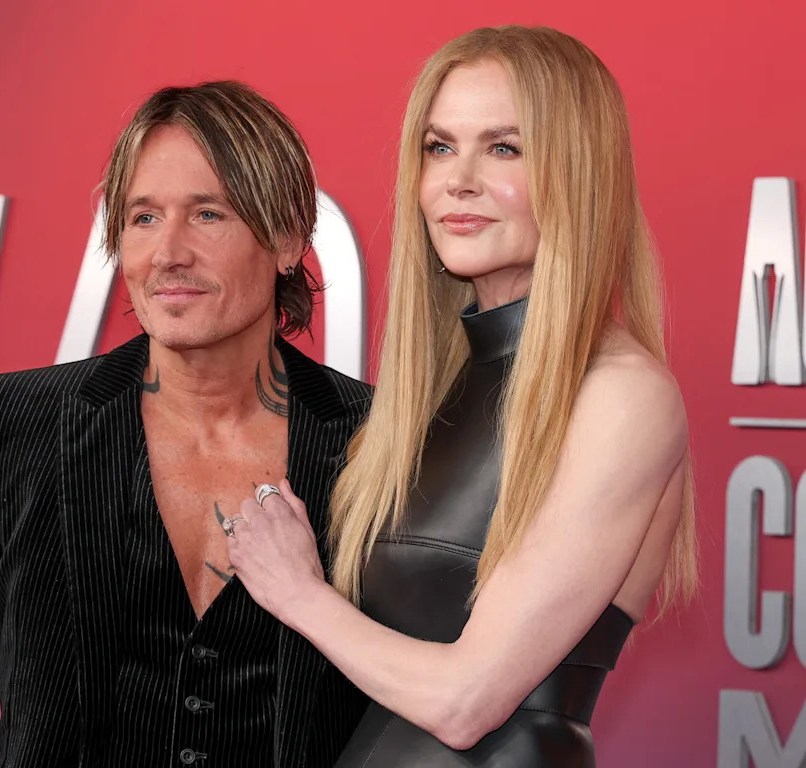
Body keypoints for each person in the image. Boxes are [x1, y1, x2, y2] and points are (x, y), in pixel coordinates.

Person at [225, 26, 698, 767]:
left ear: (581, 172)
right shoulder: (428, 397)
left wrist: (297, 592)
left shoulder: (622, 395)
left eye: (504, 147)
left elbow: (466, 700)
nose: (458, 179)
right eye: (440, 147)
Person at [0, 81, 369, 768]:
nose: (167, 254)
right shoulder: (17, 425)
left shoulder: (378, 439)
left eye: (208, 214)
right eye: (142, 218)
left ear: (287, 237)